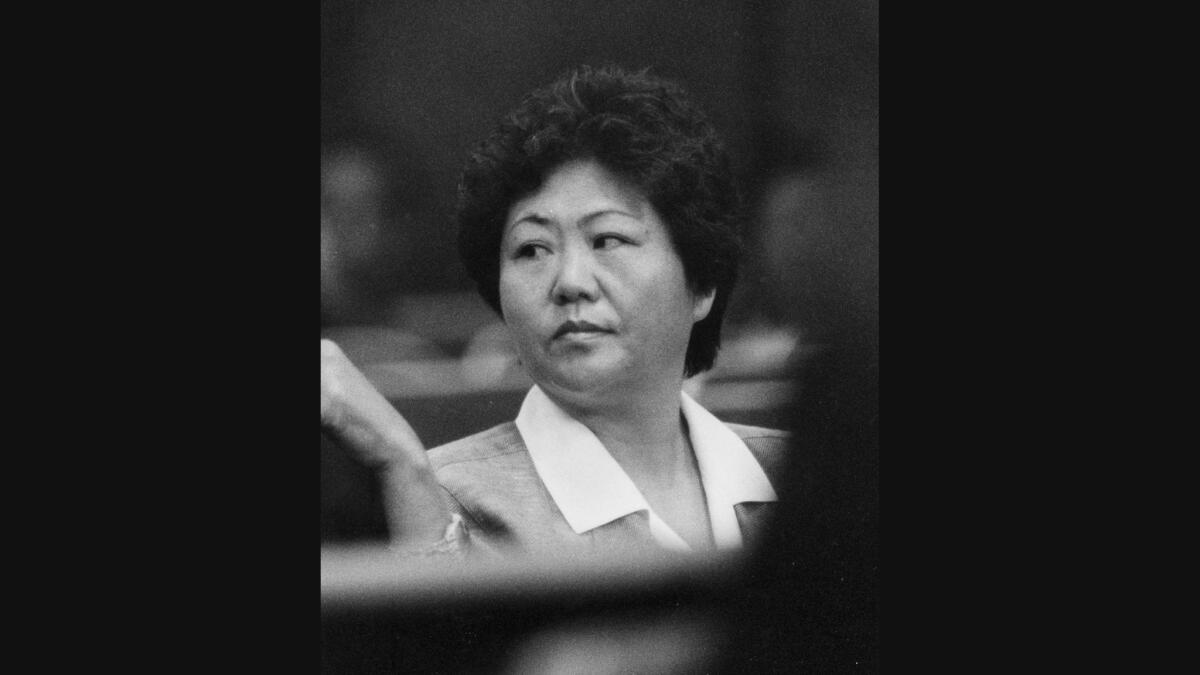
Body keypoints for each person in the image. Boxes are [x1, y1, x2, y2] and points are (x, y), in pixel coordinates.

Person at [320, 65, 789, 560]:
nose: (569, 283)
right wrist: (410, 479)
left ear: (702, 284)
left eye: (608, 239)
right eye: (532, 249)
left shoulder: (796, 469)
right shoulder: (440, 498)